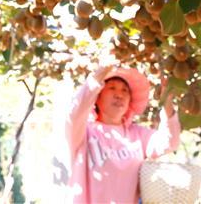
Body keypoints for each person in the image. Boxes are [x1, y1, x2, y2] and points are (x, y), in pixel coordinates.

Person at [65, 64, 180, 203]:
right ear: (97, 96)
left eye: (125, 90)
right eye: (112, 88)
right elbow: (75, 113)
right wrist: (97, 77)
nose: (119, 95)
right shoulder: (83, 132)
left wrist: (167, 104)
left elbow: (170, 142)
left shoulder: (138, 135)